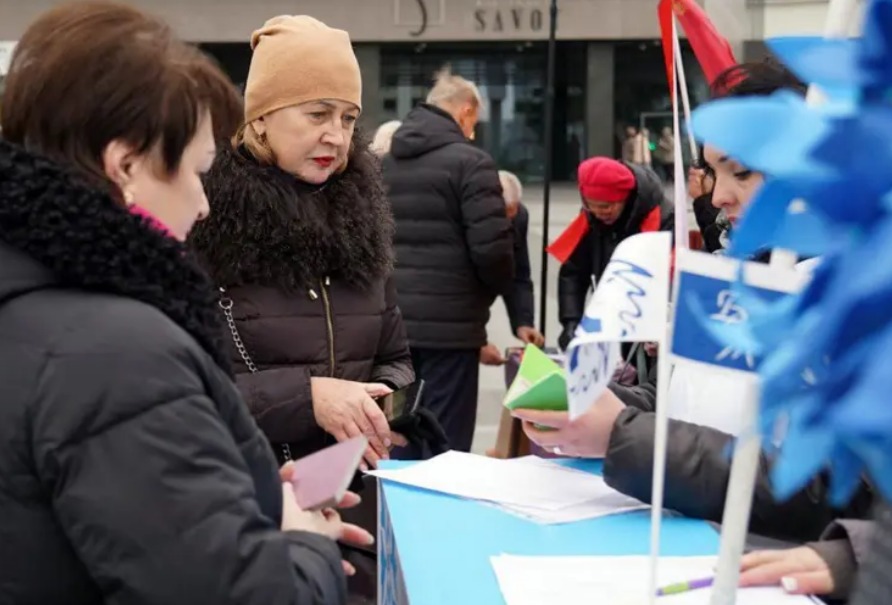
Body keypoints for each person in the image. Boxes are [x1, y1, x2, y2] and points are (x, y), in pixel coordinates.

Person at [0, 3, 362, 603]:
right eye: (196, 171)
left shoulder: (43, 301)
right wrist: (304, 545)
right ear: (127, 165)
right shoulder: (118, 353)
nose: (203, 203)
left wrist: (233, 492)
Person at [513, 60, 874, 544]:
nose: (719, 195)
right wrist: (594, 404)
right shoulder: (732, 275)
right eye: (711, 171)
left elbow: (833, 490)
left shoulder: (857, 296)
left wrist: (622, 435)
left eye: (741, 172)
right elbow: (688, 404)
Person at [190, 15, 414, 471]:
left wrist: (381, 406)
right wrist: (308, 398)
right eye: (317, 113)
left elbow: (395, 357)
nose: (336, 134)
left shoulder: (362, 225)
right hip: (246, 497)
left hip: (352, 493)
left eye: (348, 117)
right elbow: (181, 392)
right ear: (262, 118)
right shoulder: (202, 220)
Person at [383, 67, 514, 453]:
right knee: (446, 441)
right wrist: (483, 298)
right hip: (451, 333)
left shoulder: (383, 166)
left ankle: (395, 511)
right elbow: (493, 253)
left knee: (399, 433)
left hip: (393, 330)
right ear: (466, 112)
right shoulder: (472, 164)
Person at [554, 156, 673, 350]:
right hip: (607, 316)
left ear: (625, 198)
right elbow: (574, 272)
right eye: (591, 205)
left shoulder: (662, 216)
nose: (599, 212)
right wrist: (571, 322)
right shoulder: (592, 216)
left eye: (606, 206)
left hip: (647, 318)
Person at [479, 170, 545, 366]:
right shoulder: (466, 223)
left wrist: (523, 322)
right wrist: (475, 342)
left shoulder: (519, 217)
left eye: (513, 211)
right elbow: (458, 290)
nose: (509, 221)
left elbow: (519, 275)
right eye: (504, 213)